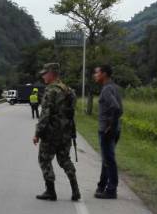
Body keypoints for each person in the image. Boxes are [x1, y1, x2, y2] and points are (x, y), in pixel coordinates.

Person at [33, 63, 81, 202]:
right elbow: (71, 113)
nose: (43, 76)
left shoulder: (51, 91)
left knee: (44, 159)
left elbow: (45, 115)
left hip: (51, 134)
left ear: (52, 73)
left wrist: (37, 133)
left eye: (45, 73)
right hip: (66, 133)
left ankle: (50, 191)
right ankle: (75, 190)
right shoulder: (69, 91)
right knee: (65, 159)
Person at [92, 64, 123, 199]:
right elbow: (120, 109)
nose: (95, 75)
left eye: (97, 73)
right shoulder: (114, 87)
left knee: (109, 160)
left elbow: (116, 108)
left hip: (107, 130)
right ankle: (102, 186)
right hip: (115, 129)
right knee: (106, 159)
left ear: (104, 74)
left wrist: (110, 125)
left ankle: (111, 190)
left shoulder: (106, 89)